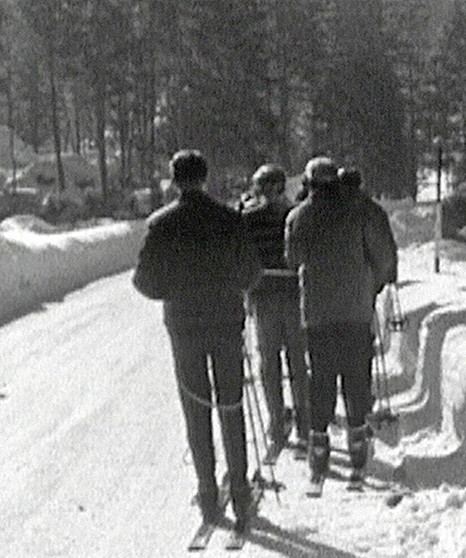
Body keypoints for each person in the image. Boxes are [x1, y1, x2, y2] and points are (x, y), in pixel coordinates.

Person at [132, 149, 261, 533]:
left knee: (197, 407)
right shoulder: (228, 218)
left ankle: (207, 492)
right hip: (224, 322)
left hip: (185, 326)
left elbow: (143, 281)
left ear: (174, 180)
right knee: (231, 403)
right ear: (205, 177)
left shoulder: (161, 224)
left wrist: (173, 291)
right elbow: (251, 271)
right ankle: (239, 489)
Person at [285, 158, 398, 484]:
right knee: (356, 376)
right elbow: (383, 258)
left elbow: (293, 261)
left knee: (320, 378)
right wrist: (370, 286)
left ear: (308, 183)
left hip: (317, 315)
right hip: (356, 311)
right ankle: (358, 442)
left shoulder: (299, 217)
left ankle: (319, 447)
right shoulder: (360, 211)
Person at [240, 164, 310, 453]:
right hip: (294, 296)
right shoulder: (296, 214)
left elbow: (241, 258)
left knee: (269, 363)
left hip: (265, 297)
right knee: (298, 362)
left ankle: (277, 422)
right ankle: (304, 424)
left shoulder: (247, 219)